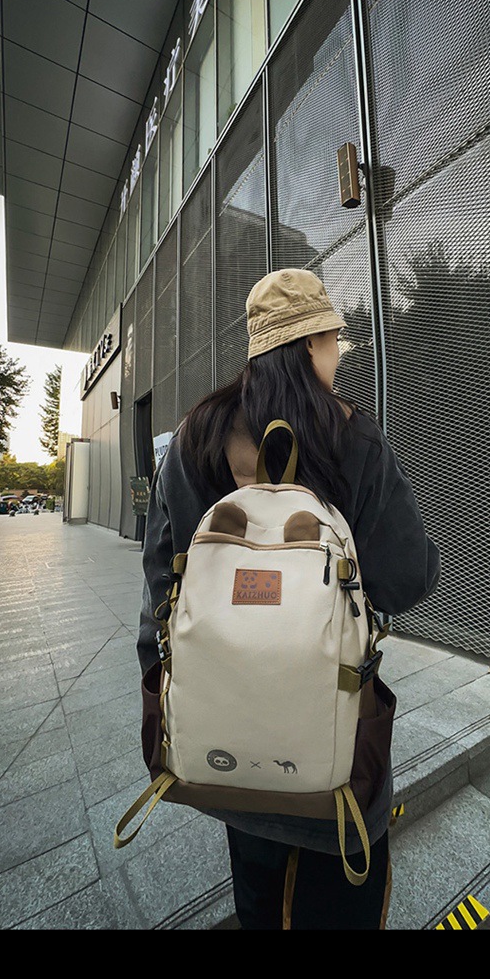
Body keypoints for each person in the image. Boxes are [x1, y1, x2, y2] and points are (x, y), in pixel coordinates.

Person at [138, 268, 440, 930]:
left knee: (258, 904)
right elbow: (406, 579)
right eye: (335, 339)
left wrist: (163, 689)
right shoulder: (353, 438)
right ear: (310, 344)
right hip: (333, 763)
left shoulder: (193, 439)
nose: (340, 353)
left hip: (226, 755)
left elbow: (160, 583)